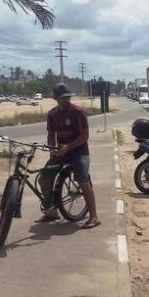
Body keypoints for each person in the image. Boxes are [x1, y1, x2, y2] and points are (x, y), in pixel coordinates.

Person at [36, 83, 100, 229]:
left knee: (83, 180)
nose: (66, 100)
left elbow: (85, 136)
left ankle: (94, 216)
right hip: (61, 152)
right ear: (55, 99)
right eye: (62, 98)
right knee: (43, 179)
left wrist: (68, 147)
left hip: (79, 151)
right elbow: (51, 135)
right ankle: (51, 210)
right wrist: (52, 149)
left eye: (68, 97)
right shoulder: (52, 114)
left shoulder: (78, 112)